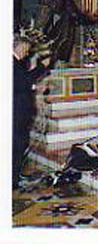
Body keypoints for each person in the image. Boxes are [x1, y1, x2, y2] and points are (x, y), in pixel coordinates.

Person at [13, 35, 50, 189]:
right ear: (20, 47)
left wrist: (34, 86)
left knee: (20, 145)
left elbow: (23, 81)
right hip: (17, 113)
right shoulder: (12, 63)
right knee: (17, 146)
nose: (27, 53)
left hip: (20, 113)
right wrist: (41, 68)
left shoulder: (17, 63)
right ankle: (13, 180)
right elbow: (21, 83)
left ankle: (15, 175)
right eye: (26, 50)